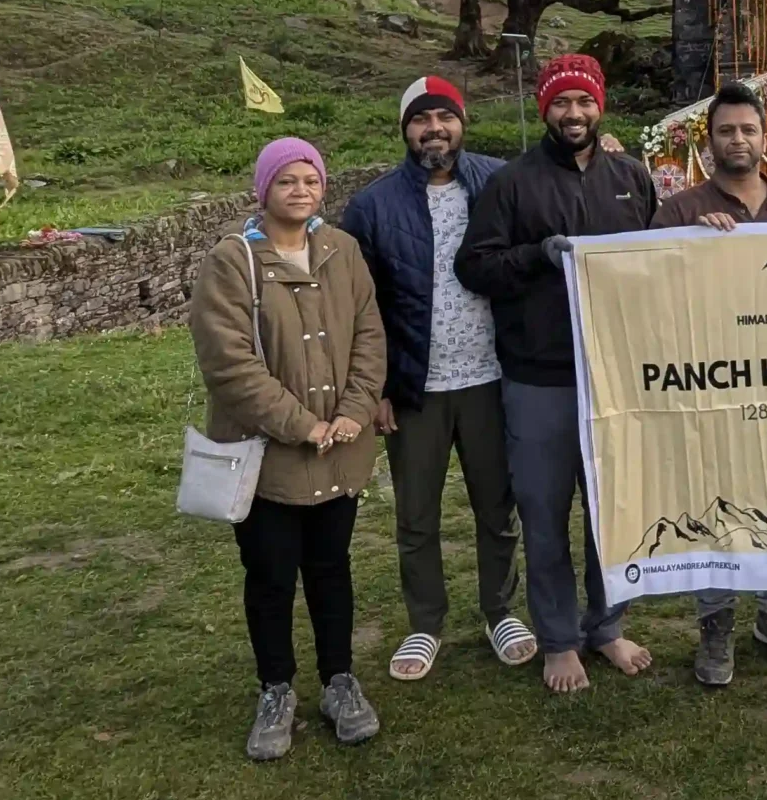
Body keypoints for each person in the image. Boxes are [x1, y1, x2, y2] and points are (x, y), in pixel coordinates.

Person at [455, 53, 658, 694]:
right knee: (544, 510)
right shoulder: (511, 184)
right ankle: (557, 638)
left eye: (585, 102)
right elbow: (475, 266)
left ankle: (606, 626)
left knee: (610, 511)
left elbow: (659, 260)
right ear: (545, 108)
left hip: (615, 375)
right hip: (539, 376)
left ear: (602, 107)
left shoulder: (631, 177)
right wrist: (536, 257)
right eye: (562, 103)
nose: (575, 114)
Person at [188, 137, 389, 760]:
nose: (300, 191)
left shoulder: (343, 251)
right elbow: (230, 365)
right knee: (272, 575)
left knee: (331, 570)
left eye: (310, 180)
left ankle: (339, 681)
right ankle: (276, 688)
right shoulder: (233, 261)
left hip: (340, 450)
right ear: (263, 189)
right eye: (287, 181)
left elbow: (369, 335)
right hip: (267, 455)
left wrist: (356, 410)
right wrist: (302, 424)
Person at [338, 76, 536, 681]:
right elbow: (356, 306)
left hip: (491, 377)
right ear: (405, 129)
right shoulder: (372, 206)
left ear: (461, 122)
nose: (434, 129)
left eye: (444, 117)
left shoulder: (502, 182)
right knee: (416, 514)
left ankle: (499, 609)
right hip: (412, 388)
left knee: (496, 506)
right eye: (421, 119)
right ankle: (425, 622)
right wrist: (372, 390)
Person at [646, 83, 767, 684]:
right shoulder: (680, 212)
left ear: (765, 137)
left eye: (749, 129)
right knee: (718, 505)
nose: (739, 140)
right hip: (713, 392)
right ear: (710, 142)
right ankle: (716, 623)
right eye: (726, 131)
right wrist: (691, 245)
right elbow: (645, 287)